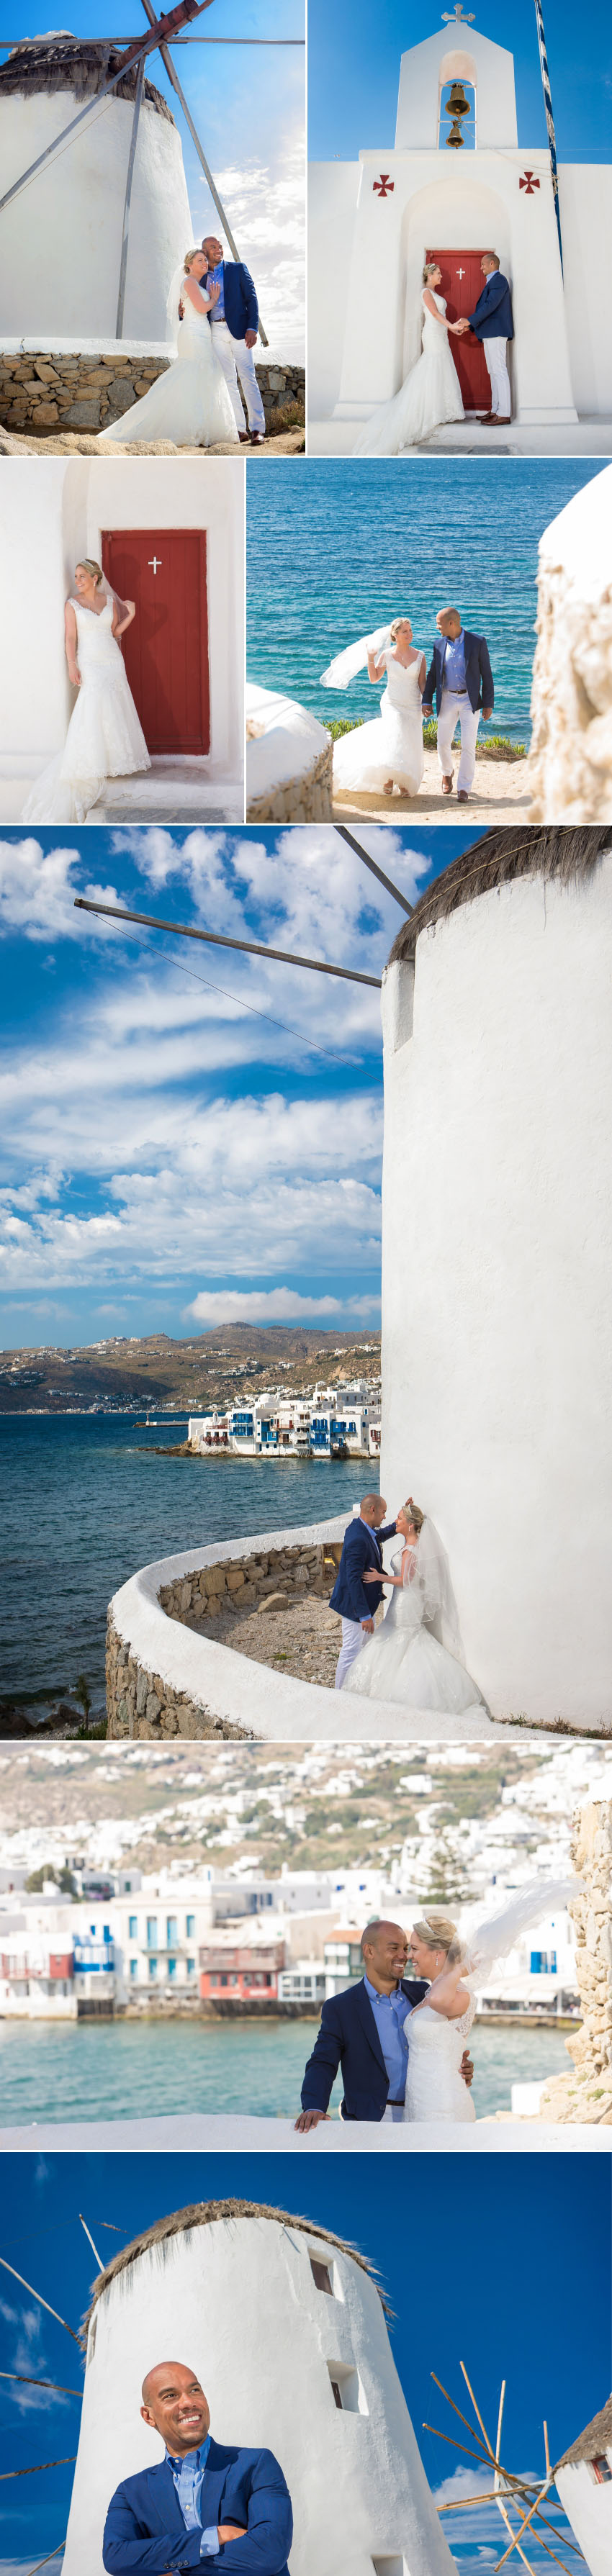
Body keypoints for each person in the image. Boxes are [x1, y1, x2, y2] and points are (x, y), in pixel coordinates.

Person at [402, 1879, 578, 2123]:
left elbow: (440, 2001)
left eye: (413, 1948)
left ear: (437, 1954)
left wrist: (459, 1969)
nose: (408, 1955)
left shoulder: (459, 1992)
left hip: (441, 2104)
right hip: (421, 2100)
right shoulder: (429, 1992)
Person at [102, 2359, 293, 2573]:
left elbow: (269, 2552)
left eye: (195, 2390)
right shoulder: (130, 2493)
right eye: (170, 2396)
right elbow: (117, 2558)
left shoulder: (255, 2464)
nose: (188, 2402)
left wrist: (168, 2567)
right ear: (149, 2416)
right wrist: (214, 2537)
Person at [294, 1917, 474, 2128]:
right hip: (373, 2118)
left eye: (406, 1948)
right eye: (394, 1948)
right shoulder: (341, 2008)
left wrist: (459, 2065)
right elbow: (323, 2062)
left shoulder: (423, 1994)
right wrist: (314, 2107)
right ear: (369, 1951)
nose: (404, 1956)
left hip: (428, 2110)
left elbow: (443, 2039)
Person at [22, 559, 150, 826]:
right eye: (76, 576)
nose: (78, 580)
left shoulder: (110, 602)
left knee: (115, 706)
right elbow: (70, 637)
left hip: (113, 660)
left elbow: (114, 632)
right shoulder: (72, 604)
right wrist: (72, 664)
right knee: (92, 706)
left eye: (83, 576)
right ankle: (91, 760)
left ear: (95, 578)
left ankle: (114, 760)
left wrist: (133, 616)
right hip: (89, 662)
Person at [343, 1499, 487, 1715]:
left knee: (404, 1638)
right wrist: (405, 1509)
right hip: (404, 1600)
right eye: (391, 1515)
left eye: (399, 1518)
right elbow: (384, 1535)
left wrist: (379, 1577)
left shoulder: (410, 1549)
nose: (393, 1520)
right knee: (401, 1639)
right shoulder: (409, 1544)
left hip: (405, 1602)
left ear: (410, 1525)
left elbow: (406, 1580)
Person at [99, 250, 238, 448]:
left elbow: (188, 306)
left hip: (201, 332)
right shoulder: (189, 282)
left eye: (205, 260)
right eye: (200, 260)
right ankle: (186, 428)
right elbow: (201, 308)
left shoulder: (194, 284)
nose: (205, 263)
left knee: (202, 375)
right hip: (193, 334)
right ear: (189, 265)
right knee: (191, 372)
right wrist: (214, 299)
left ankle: (201, 428)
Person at [353, 260, 464, 455]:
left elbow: (440, 316)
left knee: (441, 366)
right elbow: (435, 314)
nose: (441, 276)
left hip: (441, 334)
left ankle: (439, 409)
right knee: (432, 365)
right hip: (432, 334)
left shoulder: (436, 294)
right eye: (438, 273)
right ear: (429, 275)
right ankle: (428, 412)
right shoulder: (426, 293)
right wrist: (452, 325)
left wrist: (451, 330)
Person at [322, 617, 426, 799]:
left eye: (410, 631)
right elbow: (374, 678)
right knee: (396, 735)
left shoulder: (420, 655)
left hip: (413, 703)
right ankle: (389, 779)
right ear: (395, 635)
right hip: (392, 702)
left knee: (409, 741)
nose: (410, 634)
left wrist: (427, 703)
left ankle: (403, 780)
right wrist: (371, 658)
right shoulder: (387, 655)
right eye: (405, 631)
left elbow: (422, 683)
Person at [422, 605, 494, 801]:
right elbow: (433, 674)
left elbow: (487, 675)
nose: (437, 627)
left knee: (468, 746)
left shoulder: (477, 642)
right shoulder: (438, 645)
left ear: (451, 623)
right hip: (447, 698)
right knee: (443, 742)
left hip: (469, 701)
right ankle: (447, 773)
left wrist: (488, 704)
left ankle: (464, 788)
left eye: (439, 624)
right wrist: (427, 699)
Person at [201, 233, 266, 446]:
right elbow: (196, 304)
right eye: (213, 247)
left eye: (220, 246)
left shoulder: (238, 269)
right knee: (228, 381)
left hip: (240, 331)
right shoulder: (201, 277)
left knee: (248, 378)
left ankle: (257, 429)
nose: (219, 249)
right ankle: (239, 429)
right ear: (205, 252)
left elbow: (252, 298)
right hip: (215, 331)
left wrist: (252, 327)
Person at [328, 1492, 397, 1689]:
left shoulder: (361, 1528)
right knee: (351, 1650)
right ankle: (339, 1693)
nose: (385, 1517)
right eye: (383, 1512)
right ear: (373, 1510)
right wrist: (364, 1615)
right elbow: (353, 1579)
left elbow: (380, 1536)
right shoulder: (358, 1537)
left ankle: (355, 1688)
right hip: (355, 1608)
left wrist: (398, 1526)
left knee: (363, 1648)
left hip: (364, 1605)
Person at [456, 251, 514, 427]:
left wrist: (470, 320)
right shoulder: (492, 282)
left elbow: (491, 306)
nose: (480, 267)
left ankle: (504, 414)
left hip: (496, 332)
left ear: (492, 264)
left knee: (500, 371)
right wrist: (470, 327)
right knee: (493, 372)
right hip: (489, 333)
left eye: (483, 264)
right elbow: (489, 309)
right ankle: (496, 410)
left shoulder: (499, 280)